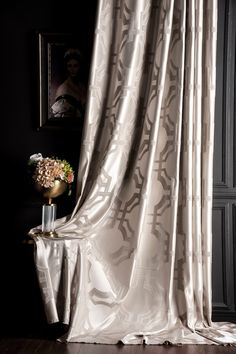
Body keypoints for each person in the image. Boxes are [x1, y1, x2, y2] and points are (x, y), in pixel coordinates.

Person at [51, 48, 87, 118]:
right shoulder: (63, 89)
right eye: (69, 66)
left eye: (75, 66)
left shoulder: (82, 86)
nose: (72, 69)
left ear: (80, 67)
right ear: (66, 68)